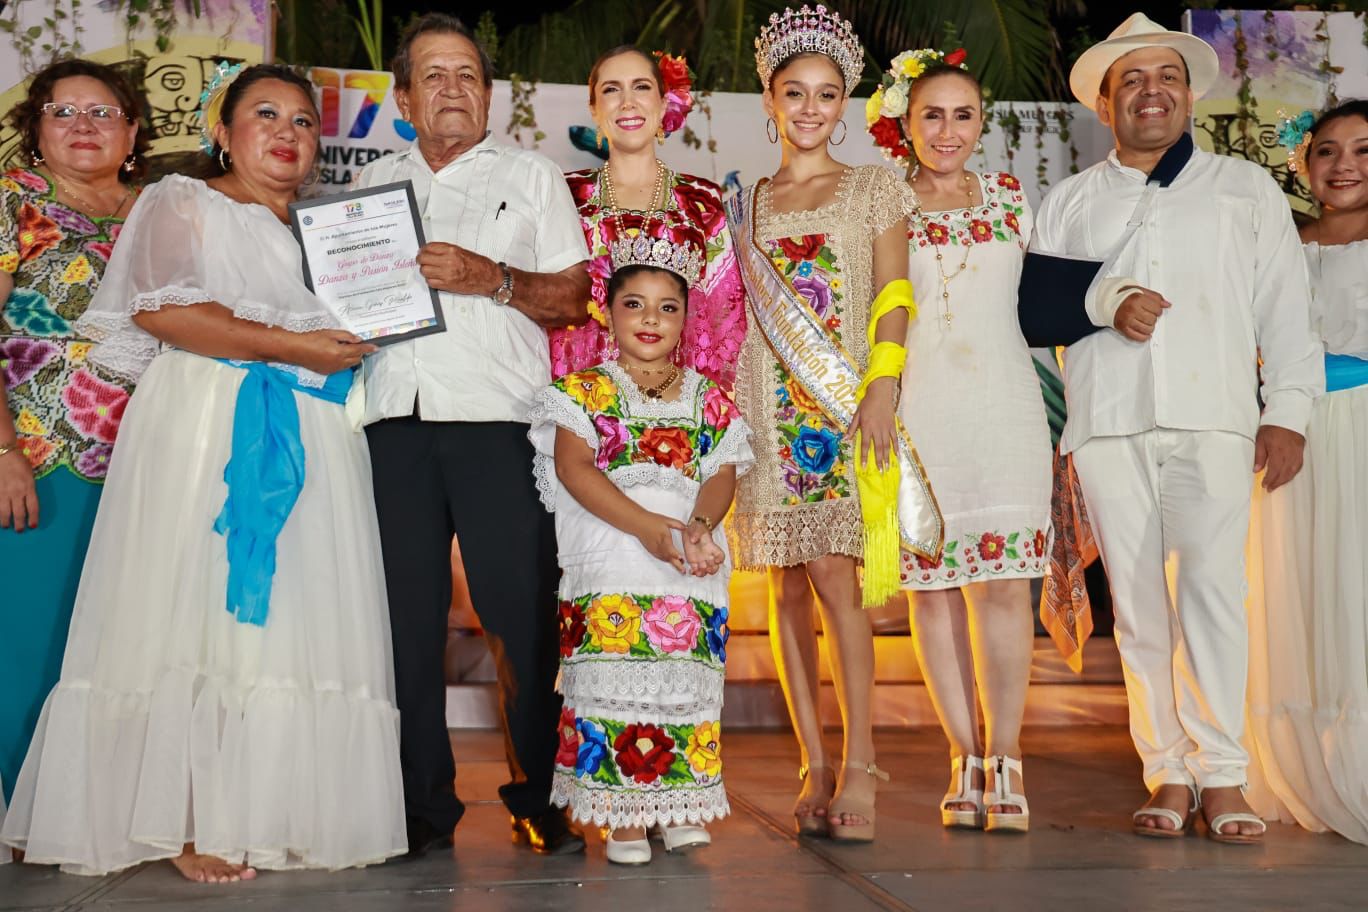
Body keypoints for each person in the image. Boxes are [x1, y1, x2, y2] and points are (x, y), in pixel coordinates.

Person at [1, 63, 406, 879]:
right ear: (221, 132)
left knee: (286, 618)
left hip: (308, 430)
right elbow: (162, 310)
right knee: (187, 608)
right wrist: (296, 345)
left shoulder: (328, 233)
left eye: (302, 121)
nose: (287, 133)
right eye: (265, 114)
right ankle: (181, 819)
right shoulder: (184, 199)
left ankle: (268, 807)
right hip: (205, 426)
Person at [1030, 13, 1323, 843]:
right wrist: (1102, 308)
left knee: (1214, 596)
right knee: (1139, 608)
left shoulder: (1243, 189)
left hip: (1215, 421)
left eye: (1164, 77)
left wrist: (1289, 414)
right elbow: (1038, 311)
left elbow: (1286, 311)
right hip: (1111, 430)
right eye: (1132, 81)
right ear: (1104, 104)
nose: (1150, 91)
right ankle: (1166, 770)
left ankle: (1223, 774)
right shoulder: (1072, 202)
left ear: (1188, 93)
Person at [352, 13, 592, 858]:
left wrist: (490, 278)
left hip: (502, 424)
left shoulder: (532, 176)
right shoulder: (363, 191)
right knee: (400, 625)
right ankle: (421, 807)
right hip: (391, 424)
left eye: (468, 75)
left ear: (488, 96)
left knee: (522, 619)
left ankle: (538, 795)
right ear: (405, 96)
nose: (452, 88)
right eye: (434, 74)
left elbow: (571, 298)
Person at [727, 5, 938, 843]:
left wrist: (882, 389)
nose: (810, 109)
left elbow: (894, 294)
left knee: (835, 579)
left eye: (826, 95)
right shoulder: (749, 203)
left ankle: (859, 761)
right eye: (794, 93)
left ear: (844, 103)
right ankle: (811, 760)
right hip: (765, 411)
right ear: (770, 100)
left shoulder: (874, 186)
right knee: (779, 583)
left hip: (845, 404)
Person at [867, 49, 1051, 833]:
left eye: (963, 115)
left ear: (982, 123)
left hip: (1005, 409)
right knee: (933, 595)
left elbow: (1048, 305)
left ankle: (1007, 760)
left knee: (1005, 587)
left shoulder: (1013, 199)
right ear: (905, 122)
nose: (947, 131)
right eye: (931, 114)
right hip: (917, 416)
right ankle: (963, 758)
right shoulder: (880, 203)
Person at [530, 219, 752, 864]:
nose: (650, 320)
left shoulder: (710, 399)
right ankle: (623, 813)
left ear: (687, 319)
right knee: (612, 676)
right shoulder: (582, 393)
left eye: (667, 308)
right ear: (607, 311)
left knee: (682, 678)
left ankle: (676, 802)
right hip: (615, 554)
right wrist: (650, 529)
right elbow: (576, 470)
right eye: (634, 304)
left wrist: (699, 526)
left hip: (688, 560)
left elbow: (720, 473)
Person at [0, 59, 147, 819]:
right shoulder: (13, 202)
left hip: (149, 462)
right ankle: (32, 814)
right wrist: (3, 453)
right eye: (64, 112)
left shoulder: (162, 211)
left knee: (123, 648)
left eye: (103, 112)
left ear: (131, 131)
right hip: (40, 458)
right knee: (33, 640)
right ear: (36, 130)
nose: (83, 125)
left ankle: (107, 813)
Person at [1245, 100, 1368, 846]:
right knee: (1287, 589)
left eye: (1363, 148)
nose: (1345, 164)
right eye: (1327, 150)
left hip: (1361, 426)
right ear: (1303, 164)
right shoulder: (1280, 247)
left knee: (1352, 587)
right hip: (1285, 429)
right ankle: (1290, 757)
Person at [550, 46, 746, 388]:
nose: (627, 102)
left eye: (641, 87)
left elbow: (724, 320)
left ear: (663, 101)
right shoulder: (563, 194)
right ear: (594, 110)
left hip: (675, 405)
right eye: (611, 89)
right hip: (577, 394)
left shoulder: (700, 200)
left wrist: (710, 409)